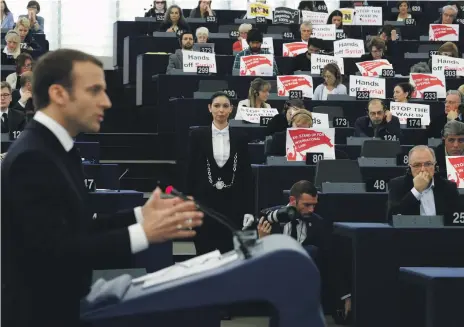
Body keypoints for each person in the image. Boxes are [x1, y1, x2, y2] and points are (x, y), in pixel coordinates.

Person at [1, 49, 204, 327]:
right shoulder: (31, 158)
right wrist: (143, 233)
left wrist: (140, 215)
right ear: (59, 94)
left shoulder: (60, 149)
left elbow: (77, 229)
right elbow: (55, 252)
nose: (106, 102)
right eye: (94, 90)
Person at [186, 91, 253, 255]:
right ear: (209, 108)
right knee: (203, 255)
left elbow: (246, 175)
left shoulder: (241, 137)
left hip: (233, 204)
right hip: (204, 204)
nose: (221, 110)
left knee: (230, 255)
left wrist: (249, 209)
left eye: (225, 106)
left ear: (231, 109)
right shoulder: (197, 135)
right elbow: (190, 170)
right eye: (216, 106)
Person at [387, 145, 460, 222]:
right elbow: (392, 218)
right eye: (417, 165)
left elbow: (457, 220)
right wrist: (416, 191)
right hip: (410, 233)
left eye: (428, 164)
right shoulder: (397, 185)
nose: (423, 169)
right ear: (410, 167)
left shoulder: (449, 187)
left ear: (434, 165)